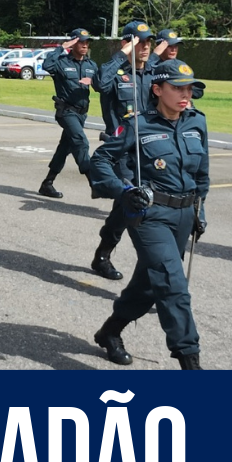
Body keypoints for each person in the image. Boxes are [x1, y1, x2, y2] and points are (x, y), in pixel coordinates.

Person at [89, 59, 210, 369]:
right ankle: (190, 363)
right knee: (173, 286)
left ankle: (109, 332)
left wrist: (200, 209)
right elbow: (100, 161)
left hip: (183, 215)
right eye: (177, 88)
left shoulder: (197, 122)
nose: (186, 95)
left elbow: (202, 175)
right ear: (157, 89)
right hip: (149, 215)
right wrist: (124, 191)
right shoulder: (136, 124)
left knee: (148, 286)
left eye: (190, 89)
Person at [91, 20, 156, 280]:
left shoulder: (154, 73)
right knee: (135, 206)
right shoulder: (115, 73)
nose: (145, 46)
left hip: (150, 151)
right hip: (122, 153)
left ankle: (103, 254)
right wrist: (123, 54)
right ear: (128, 43)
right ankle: (152, 273)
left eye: (148, 42)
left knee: (125, 208)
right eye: (139, 42)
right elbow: (99, 83)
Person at [38, 29, 99, 198]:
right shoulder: (61, 62)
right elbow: (46, 65)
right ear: (73, 43)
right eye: (81, 42)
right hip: (65, 111)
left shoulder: (91, 65)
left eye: (87, 42)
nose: (85, 45)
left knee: (65, 147)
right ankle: (94, 182)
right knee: (81, 141)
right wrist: (61, 48)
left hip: (82, 114)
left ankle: (47, 183)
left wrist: (93, 81)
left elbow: (102, 84)